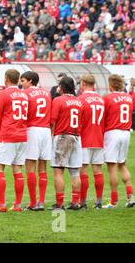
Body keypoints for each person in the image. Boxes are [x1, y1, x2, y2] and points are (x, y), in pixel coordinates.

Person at [0, 69, 28, 212]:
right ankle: (17, 205)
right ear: (18, 79)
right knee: (17, 168)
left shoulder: (4, 94)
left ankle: (1, 204)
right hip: (22, 135)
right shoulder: (24, 94)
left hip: (8, 134)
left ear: (6, 79)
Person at [19, 71, 52, 211]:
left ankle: (33, 202)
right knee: (43, 166)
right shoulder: (47, 94)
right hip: (46, 131)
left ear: (31, 81)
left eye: (23, 81)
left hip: (32, 130)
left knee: (30, 166)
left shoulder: (25, 94)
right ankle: (42, 201)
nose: (21, 83)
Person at [50, 76, 83, 210]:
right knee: (75, 172)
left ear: (62, 87)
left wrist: (51, 137)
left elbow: (52, 120)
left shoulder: (58, 100)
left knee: (58, 172)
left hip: (62, 136)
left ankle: (59, 203)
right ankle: (75, 202)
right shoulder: (79, 102)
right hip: (76, 137)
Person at [102, 74, 134, 208]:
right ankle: (130, 196)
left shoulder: (107, 98)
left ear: (111, 85)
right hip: (126, 133)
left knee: (112, 168)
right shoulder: (128, 98)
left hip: (113, 132)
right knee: (122, 165)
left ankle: (113, 201)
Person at [78, 74, 105, 209]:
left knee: (83, 171)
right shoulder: (101, 99)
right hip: (99, 137)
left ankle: (82, 202)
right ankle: (98, 202)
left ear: (83, 84)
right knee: (98, 170)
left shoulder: (81, 99)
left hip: (85, 138)